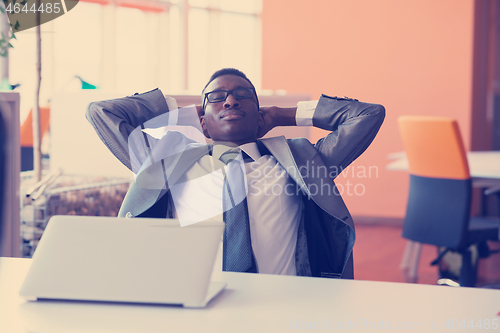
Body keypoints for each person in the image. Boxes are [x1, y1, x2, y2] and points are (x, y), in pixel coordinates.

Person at [86, 68, 385, 279]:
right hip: (197, 306)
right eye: (216, 98)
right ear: (202, 123)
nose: (230, 101)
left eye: (243, 95)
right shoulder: (166, 162)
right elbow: (102, 112)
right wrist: (183, 110)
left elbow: (367, 115)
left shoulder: (301, 160)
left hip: (284, 305)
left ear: (260, 115)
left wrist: (285, 114)